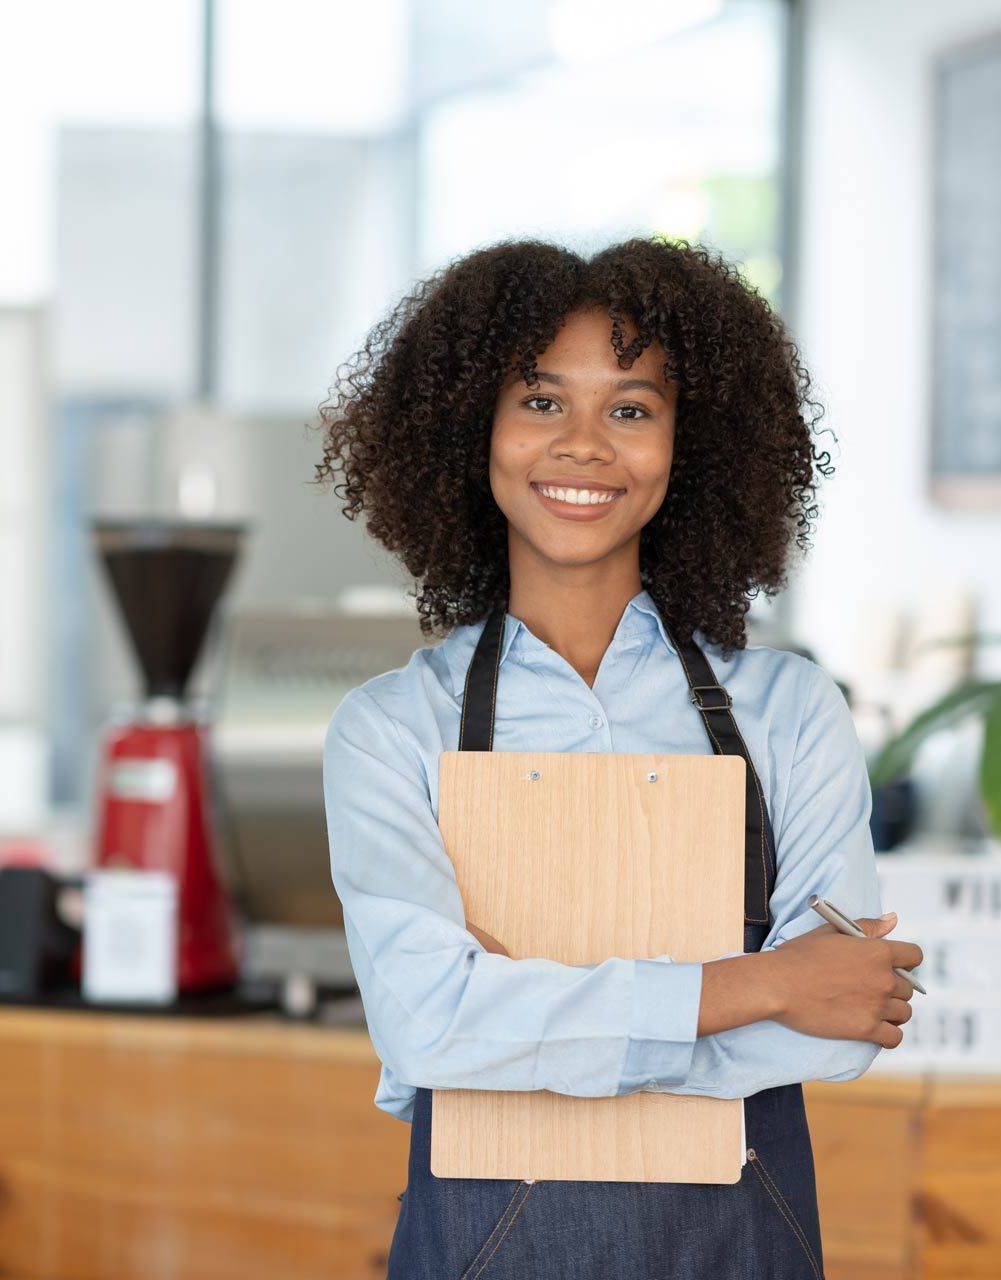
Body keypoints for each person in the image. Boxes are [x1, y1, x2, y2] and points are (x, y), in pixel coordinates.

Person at [314, 237, 923, 1279]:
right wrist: (769, 982)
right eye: (542, 402)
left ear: (691, 445)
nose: (585, 444)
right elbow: (426, 1026)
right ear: (474, 431)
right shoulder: (390, 728)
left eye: (632, 408)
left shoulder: (791, 710)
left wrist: (520, 1025)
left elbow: (841, 1026)